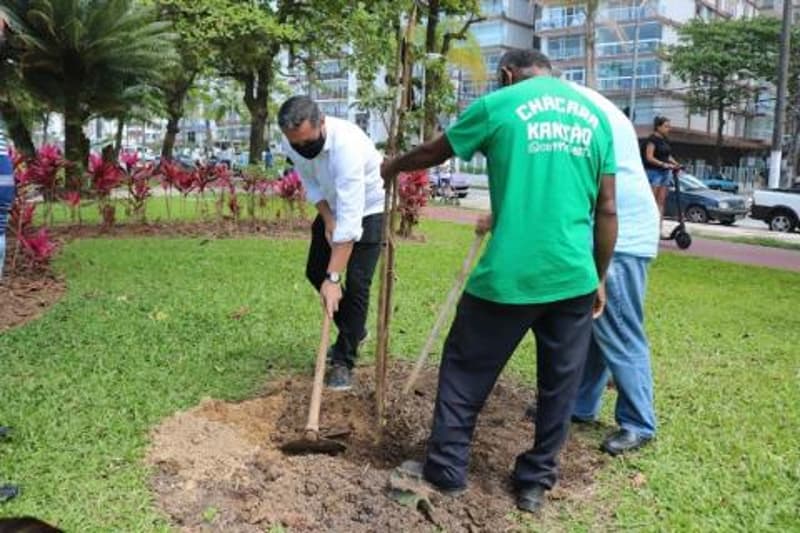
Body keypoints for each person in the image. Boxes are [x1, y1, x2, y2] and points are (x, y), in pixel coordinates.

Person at [381, 49, 618, 514]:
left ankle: (446, 471)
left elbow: (434, 151)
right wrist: (599, 275)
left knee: (465, 372)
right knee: (559, 387)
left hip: (509, 275)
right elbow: (607, 208)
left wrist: (392, 166)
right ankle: (535, 484)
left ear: (508, 74)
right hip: (573, 277)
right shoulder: (595, 115)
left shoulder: (499, 105)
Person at [568, 85, 660, 456]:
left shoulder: (568, 108)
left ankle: (639, 423)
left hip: (619, 235)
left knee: (620, 327)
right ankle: (580, 405)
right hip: (618, 228)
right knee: (596, 327)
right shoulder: (582, 101)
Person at [279, 96, 384, 390]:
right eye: (296, 144)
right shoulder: (291, 140)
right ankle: (356, 330)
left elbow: (351, 221)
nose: (302, 147)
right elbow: (311, 183)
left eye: (308, 141)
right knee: (315, 271)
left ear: (322, 122)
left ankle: (344, 361)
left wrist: (335, 278)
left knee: (357, 284)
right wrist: (327, 218)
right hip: (333, 206)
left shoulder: (346, 147)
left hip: (369, 208)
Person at [642, 116, 679, 233]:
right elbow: (649, 157)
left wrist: (676, 164)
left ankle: (658, 229)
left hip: (665, 173)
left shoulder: (664, 140)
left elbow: (667, 155)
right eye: (666, 126)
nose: (668, 129)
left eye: (669, 126)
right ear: (658, 127)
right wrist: (663, 164)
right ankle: (647, 228)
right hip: (654, 172)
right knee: (652, 201)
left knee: (661, 202)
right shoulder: (652, 140)